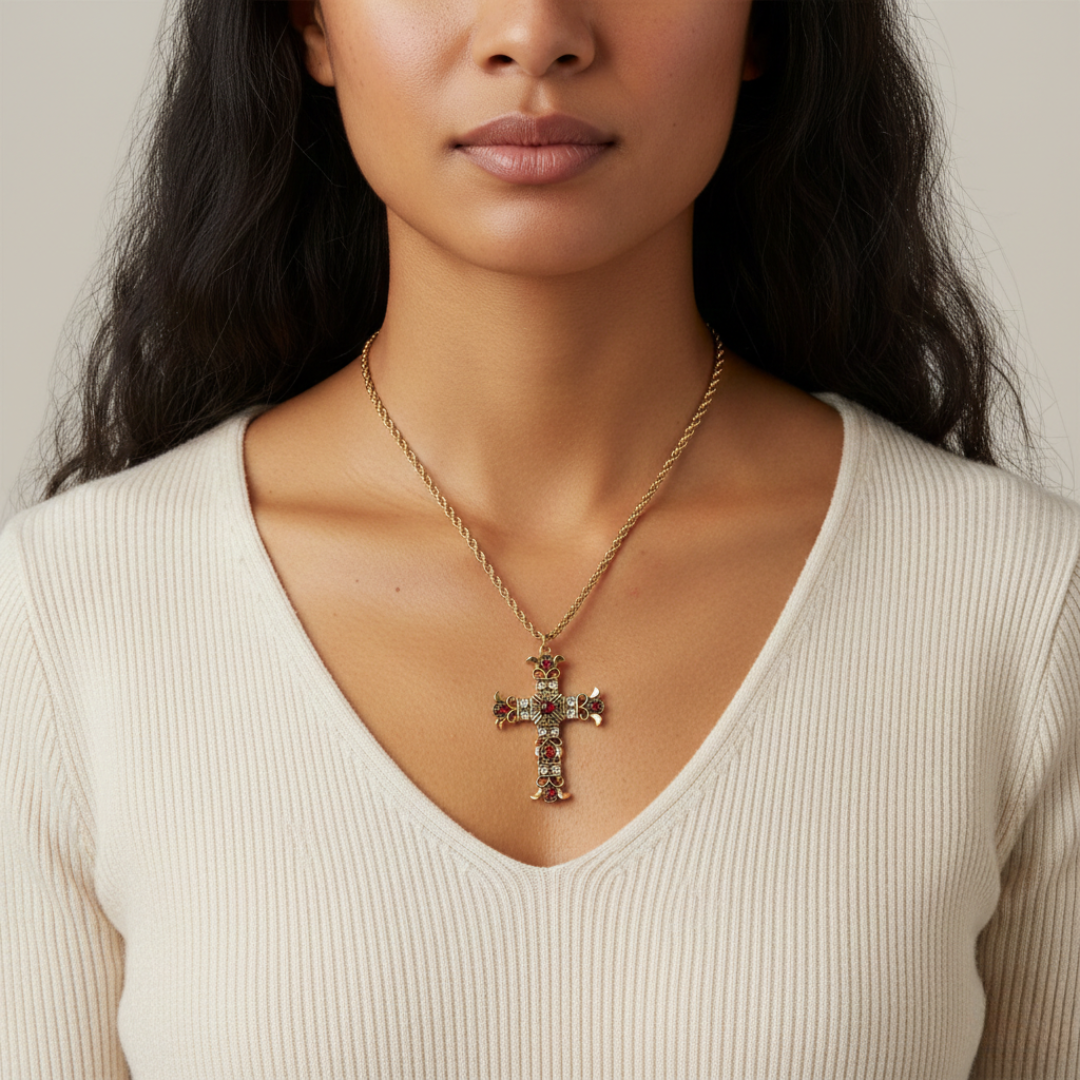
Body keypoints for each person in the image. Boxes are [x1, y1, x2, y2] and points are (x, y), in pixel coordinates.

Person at [2, 0, 1077, 1076]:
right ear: (307, 27)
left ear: (766, 26)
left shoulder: (1021, 604)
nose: (535, 31)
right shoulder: (67, 614)